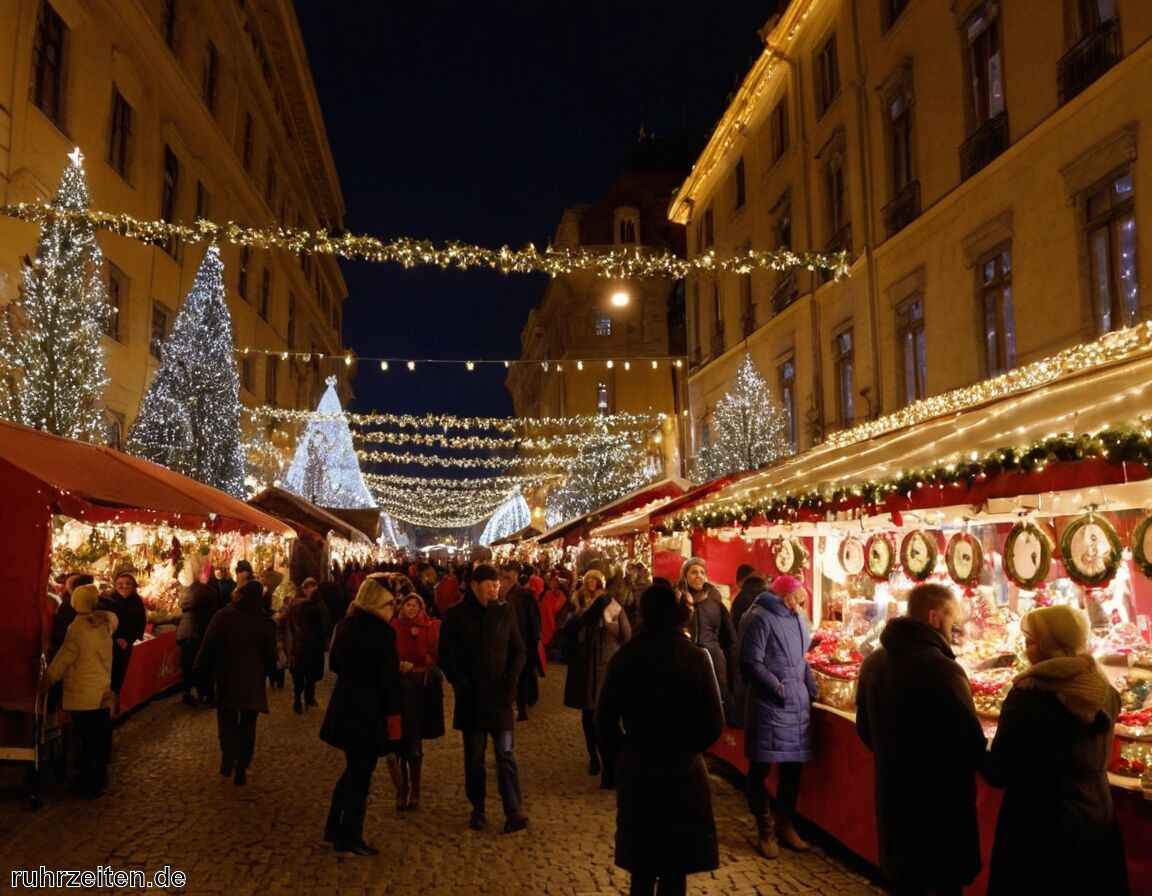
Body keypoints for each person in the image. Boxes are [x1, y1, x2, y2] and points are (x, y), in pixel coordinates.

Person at [982, 605, 1128, 895]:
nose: (1026, 649)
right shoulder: (1103, 690)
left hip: (1039, 826)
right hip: (1096, 817)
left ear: (1051, 645)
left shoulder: (1029, 694)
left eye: (1031, 640)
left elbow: (998, 771)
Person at [855, 583, 986, 896]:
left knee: (904, 882)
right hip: (941, 808)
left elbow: (865, 729)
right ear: (933, 617)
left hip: (894, 799)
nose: (957, 626)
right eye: (952, 618)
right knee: (945, 883)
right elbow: (970, 742)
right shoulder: (943, 669)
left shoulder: (874, 662)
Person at [595, 584, 724, 896]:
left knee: (642, 868)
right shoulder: (696, 658)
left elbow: (604, 720)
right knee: (674, 870)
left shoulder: (625, 657)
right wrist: (689, 749)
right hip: (682, 773)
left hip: (639, 768)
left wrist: (622, 754)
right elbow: (714, 724)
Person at [438, 563, 529, 834]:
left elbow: (519, 651)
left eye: (497, 584)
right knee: (475, 757)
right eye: (490, 584)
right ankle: (478, 808)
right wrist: (460, 682)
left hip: (500, 697)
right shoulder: (455, 615)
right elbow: (446, 654)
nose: (495, 588)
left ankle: (514, 810)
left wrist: (510, 682)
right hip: (472, 698)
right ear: (476, 586)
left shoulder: (505, 611)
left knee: (505, 752)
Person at [319, 574, 403, 855]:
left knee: (353, 769)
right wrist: (394, 717)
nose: (393, 609)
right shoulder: (382, 633)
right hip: (369, 712)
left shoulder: (346, 625)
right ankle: (350, 836)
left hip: (346, 707)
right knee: (361, 774)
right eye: (390, 604)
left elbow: (337, 664)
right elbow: (389, 681)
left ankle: (334, 828)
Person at [738, 574, 818, 859]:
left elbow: (800, 659)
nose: (800, 606)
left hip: (797, 703)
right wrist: (777, 686)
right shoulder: (758, 618)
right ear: (785, 597)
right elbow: (750, 662)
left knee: (793, 769)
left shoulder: (797, 619)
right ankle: (764, 830)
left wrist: (809, 684)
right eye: (798, 600)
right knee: (760, 767)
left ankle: (784, 824)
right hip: (769, 703)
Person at [193, 579, 278, 786]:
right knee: (248, 725)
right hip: (253, 680)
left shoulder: (224, 616)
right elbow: (272, 655)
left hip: (226, 677)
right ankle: (242, 764)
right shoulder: (264, 620)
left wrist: (198, 671)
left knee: (227, 720)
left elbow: (208, 645)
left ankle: (228, 757)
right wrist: (264, 673)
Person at [46, 584, 117, 798]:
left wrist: (49, 678)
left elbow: (65, 656)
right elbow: (113, 619)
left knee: (86, 740)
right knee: (100, 737)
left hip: (83, 693)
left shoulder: (77, 627)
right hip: (101, 689)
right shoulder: (105, 623)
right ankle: (98, 778)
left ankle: (88, 781)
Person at [563, 571, 631, 787]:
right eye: (588, 579)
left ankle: (608, 762)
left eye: (595, 579)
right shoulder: (577, 600)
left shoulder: (610, 603)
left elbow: (624, 633)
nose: (591, 583)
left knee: (604, 716)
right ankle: (594, 756)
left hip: (604, 662)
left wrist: (605, 621)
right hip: (584, 662)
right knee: (587, 712)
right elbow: (569, 627)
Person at [389, 590, 445, 811]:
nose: (411, 609)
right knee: (396, 743)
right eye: (407, 605)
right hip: (397, 688)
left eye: (415, 605)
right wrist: (398, 665)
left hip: (419, 690)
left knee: (413, 741)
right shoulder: (393, 627)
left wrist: (423, 663)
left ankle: (415, 788)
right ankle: (401, 787)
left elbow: (434, 654)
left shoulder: (430, 627)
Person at [677, 557, 739, 726]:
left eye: (702, 572)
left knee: (720, 694)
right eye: (694, 572)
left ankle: (730, 734)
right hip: (687, 656)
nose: (699, 576)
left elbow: (730, 636)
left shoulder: (715, 601)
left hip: (713, 656)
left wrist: (732, 661)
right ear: (685, 576)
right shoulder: (678, 602)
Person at [499, 560, 542, 721]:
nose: (505, 575)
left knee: (522, 675)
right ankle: (511, 705)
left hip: (522, 641)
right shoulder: (500, 593)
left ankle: (521, 708)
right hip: (506, 641)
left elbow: (534, 620)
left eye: (508, 572)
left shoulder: (525, 595)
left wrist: (535, 639)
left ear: (516, 574)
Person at [177, 560, 222, 706]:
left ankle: (186, 693)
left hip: (185, 631)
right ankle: (206, 695)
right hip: (201, 631)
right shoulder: (210, 592)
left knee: (187, 664)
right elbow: (216, 612)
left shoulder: (185, 592)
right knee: (204, 663)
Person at [287, 577, 333, 714]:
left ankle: (299, 699)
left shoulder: (294, 604)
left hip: (298, 645)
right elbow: (326, 625)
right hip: (311, 645)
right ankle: (307, 698)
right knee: (310, 673)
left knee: (299, 673)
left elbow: (288, 625)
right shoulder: (317, 605)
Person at [100, 572, 148, 702]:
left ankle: (114, 703)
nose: (124, 586)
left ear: (134, 586)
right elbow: (102, 622)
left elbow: (140, 624)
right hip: (108, 643)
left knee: (119, 676)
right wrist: (116, 637)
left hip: (126, 645)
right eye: (120, 584)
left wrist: (129, 639)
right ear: (115, 585)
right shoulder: (108, 600)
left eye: (128, 584)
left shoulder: (137, 602)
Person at [730, 564, 767, 632]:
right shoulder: (769, 593)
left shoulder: (740, 598)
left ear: (742, 580)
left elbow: (735, 627)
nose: (739, 587)